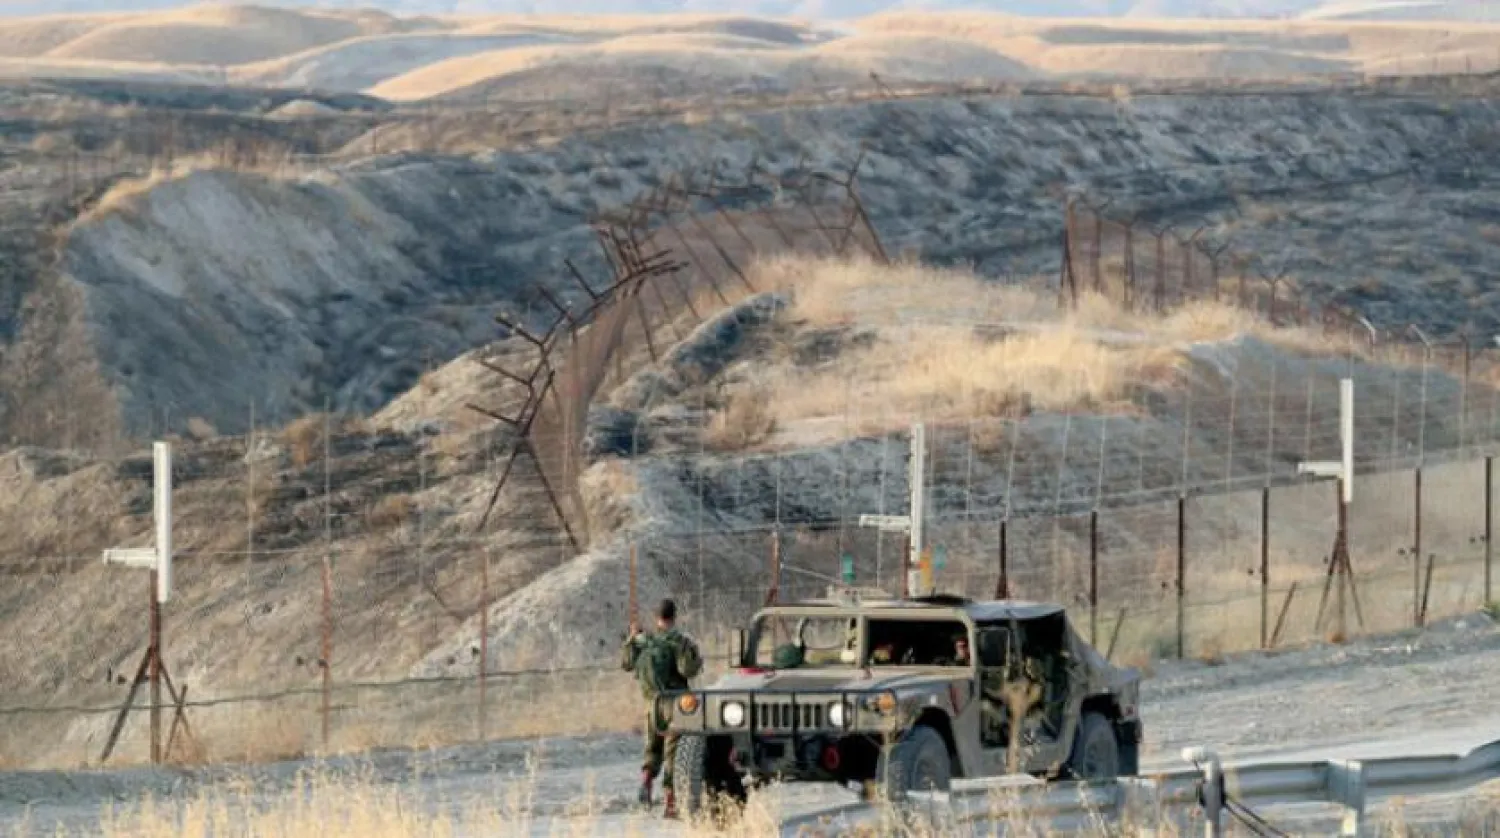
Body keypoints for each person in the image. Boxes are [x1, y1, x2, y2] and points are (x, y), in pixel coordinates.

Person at [620, 598, 703, 818]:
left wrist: (632, 636)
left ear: (656, 618)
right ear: (674, 617)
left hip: (650, 705)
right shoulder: (679, 641)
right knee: (673, 754)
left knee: (652, 747)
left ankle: (646, 782)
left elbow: (626, 663)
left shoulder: (644, 640)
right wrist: (692, 652)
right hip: (675, 705)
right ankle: (670, 802)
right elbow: (688, 671)